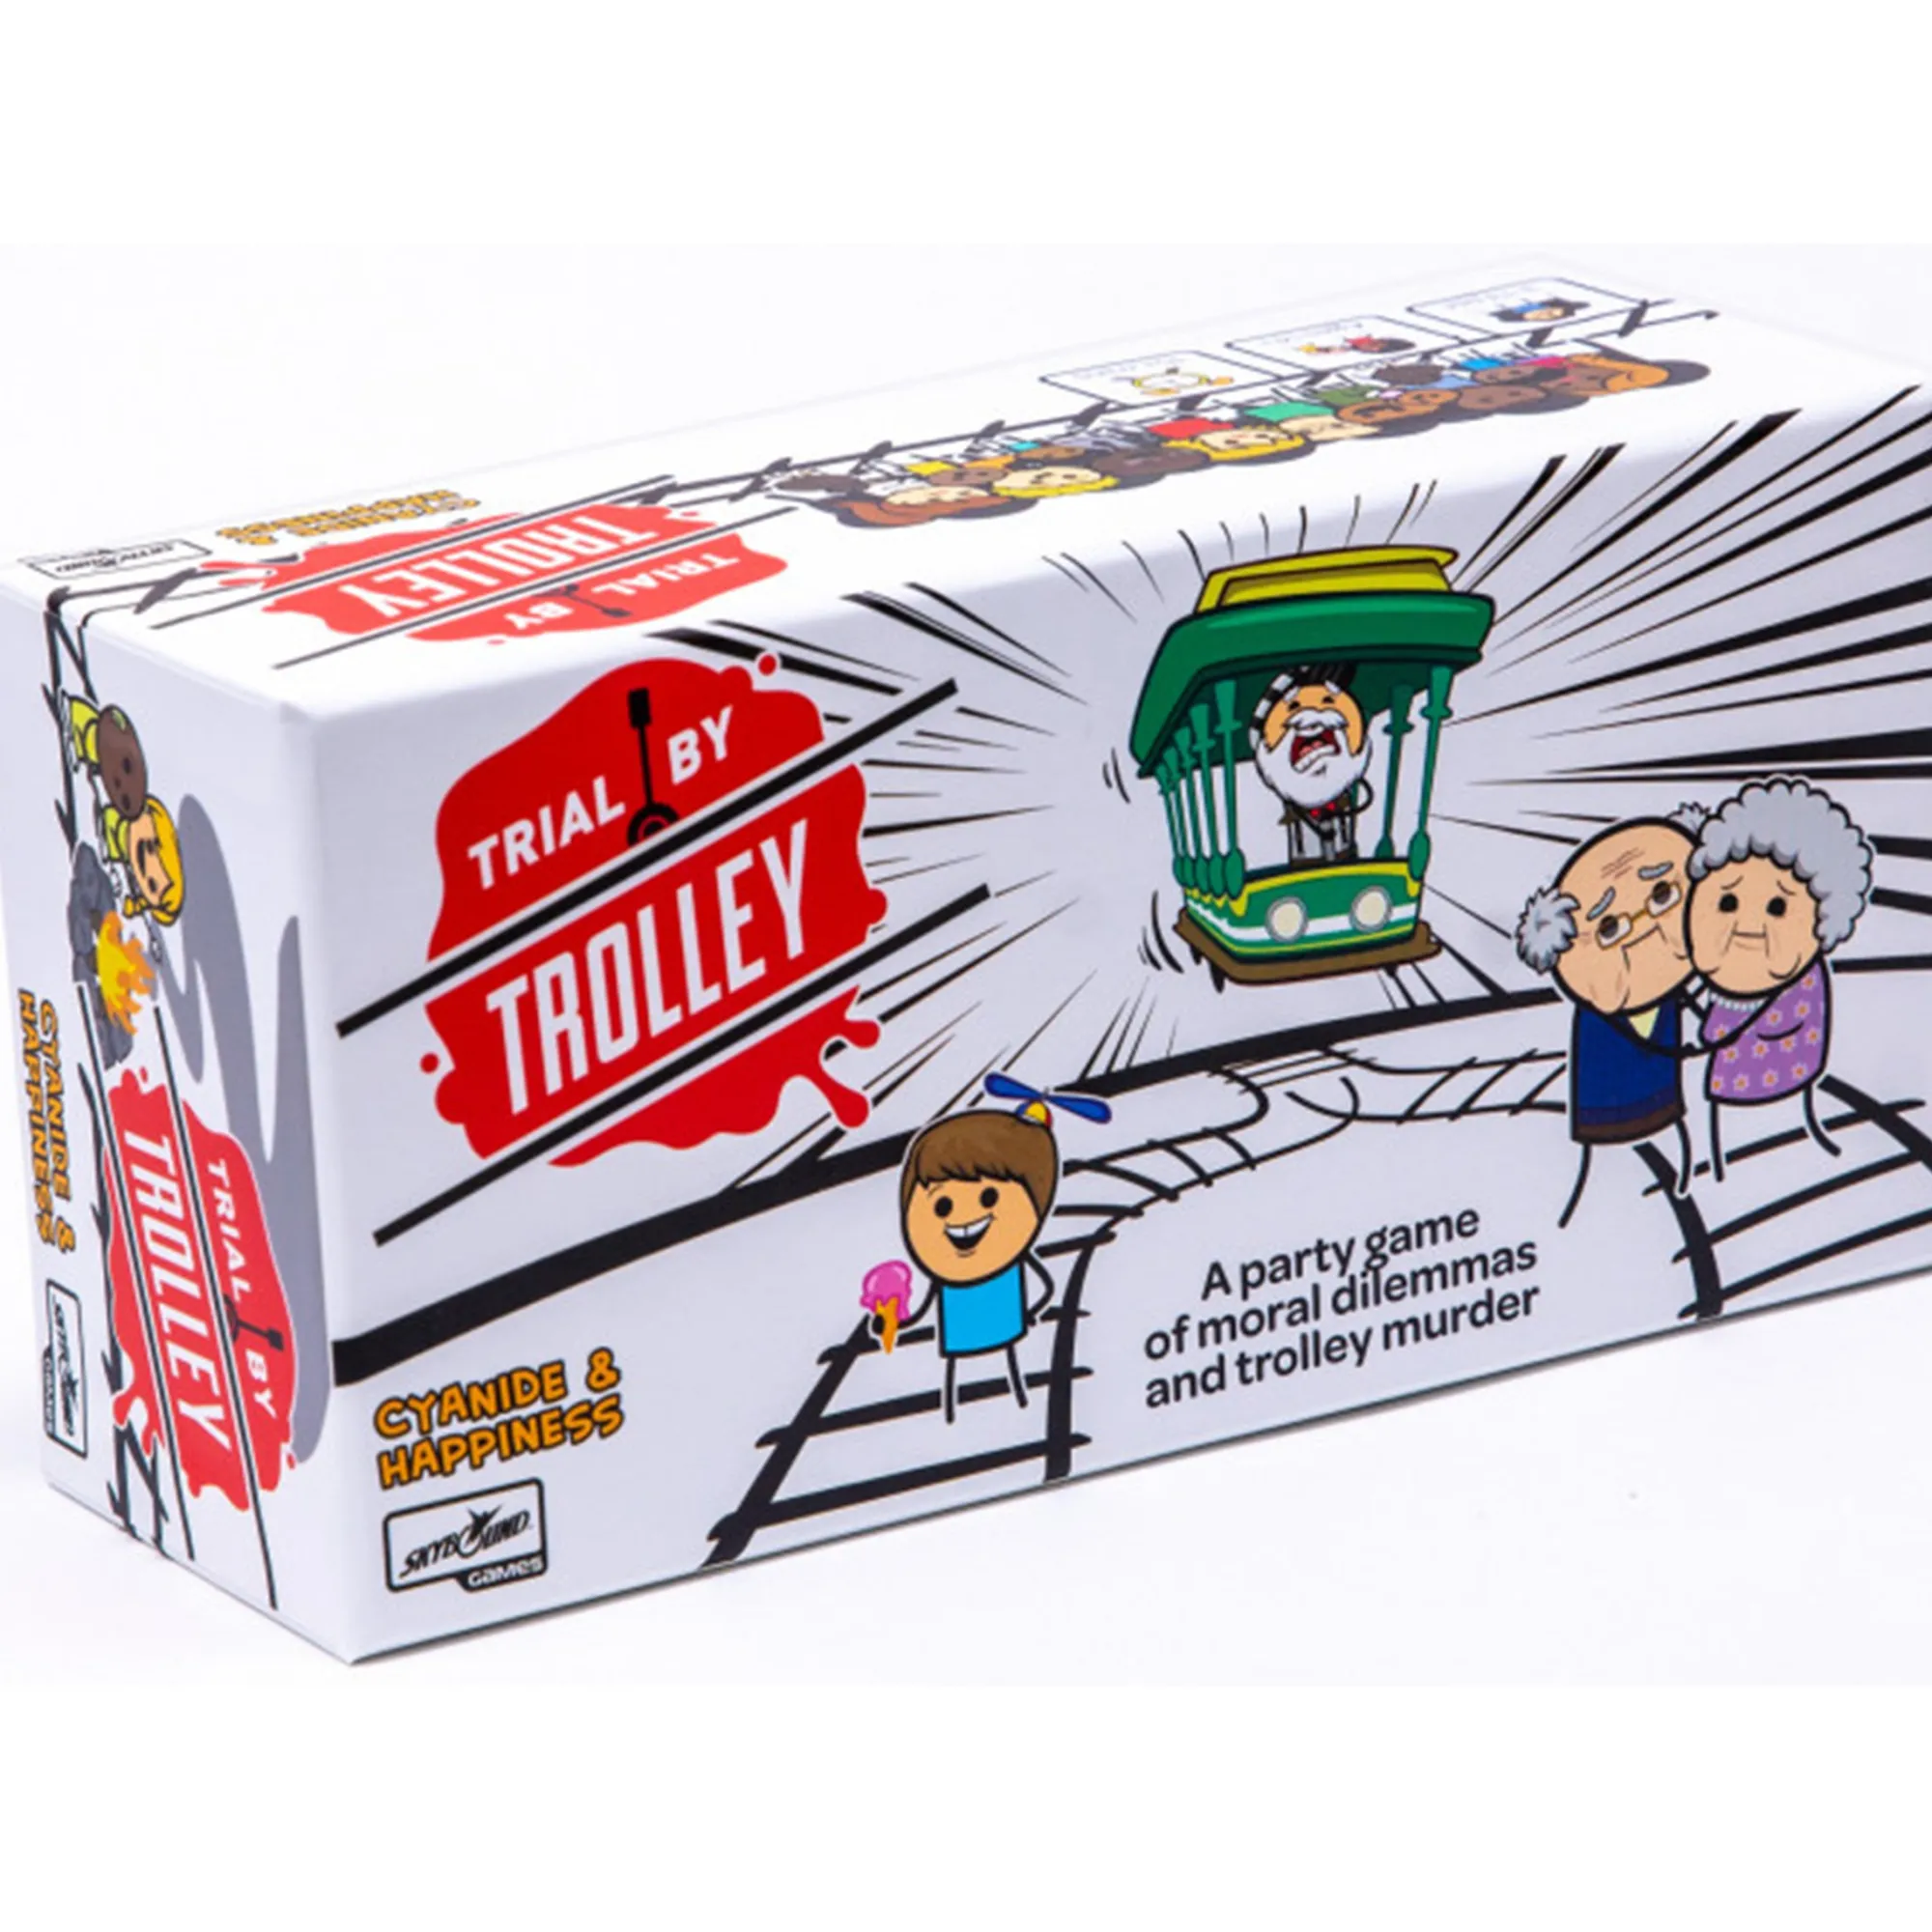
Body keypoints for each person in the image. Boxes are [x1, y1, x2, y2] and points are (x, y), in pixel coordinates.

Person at [1516, 815, 1701, 1226]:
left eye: (1661, 895)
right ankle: (1583, 1198)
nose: (1642, 930)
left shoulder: (1666, 989)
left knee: (1676, 1132)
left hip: (1664, 1090)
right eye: (1610, 927)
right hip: (1608, 1099)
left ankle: (1685, 1172)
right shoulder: (1597, 1008)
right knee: (1597, 1158)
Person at [1686, 778, 1874, 1178]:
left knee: (1751, 1150)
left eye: (1776, 907)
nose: (1748, 925)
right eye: (1728, 902)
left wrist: (1711, 1025)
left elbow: (1722, 1030)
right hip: (1774, 1081)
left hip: (1755, 1083)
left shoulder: (1783, 979)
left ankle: (1728, 1167)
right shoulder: (1789, 974)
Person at [891, 1106, 1060, 1424]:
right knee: (955, 1376)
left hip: (1002, 1324)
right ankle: (952, 1413)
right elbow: (923, 1308)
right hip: (964, 1332)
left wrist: (1032, 1312)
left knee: (1009, 1366)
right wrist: (896, 1323)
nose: (964, 1218)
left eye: (989, 1198)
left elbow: (1046, 1287)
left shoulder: (1007, 1263)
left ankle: (1017, 1398)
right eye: (943, 1206)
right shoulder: (947, 1275)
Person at [1248, 668, 1374, 866]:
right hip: (1303, 868)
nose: (1316, 714)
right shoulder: (1290, 789)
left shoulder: (1345, 786)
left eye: (1328, 702)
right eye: (1295, 706)